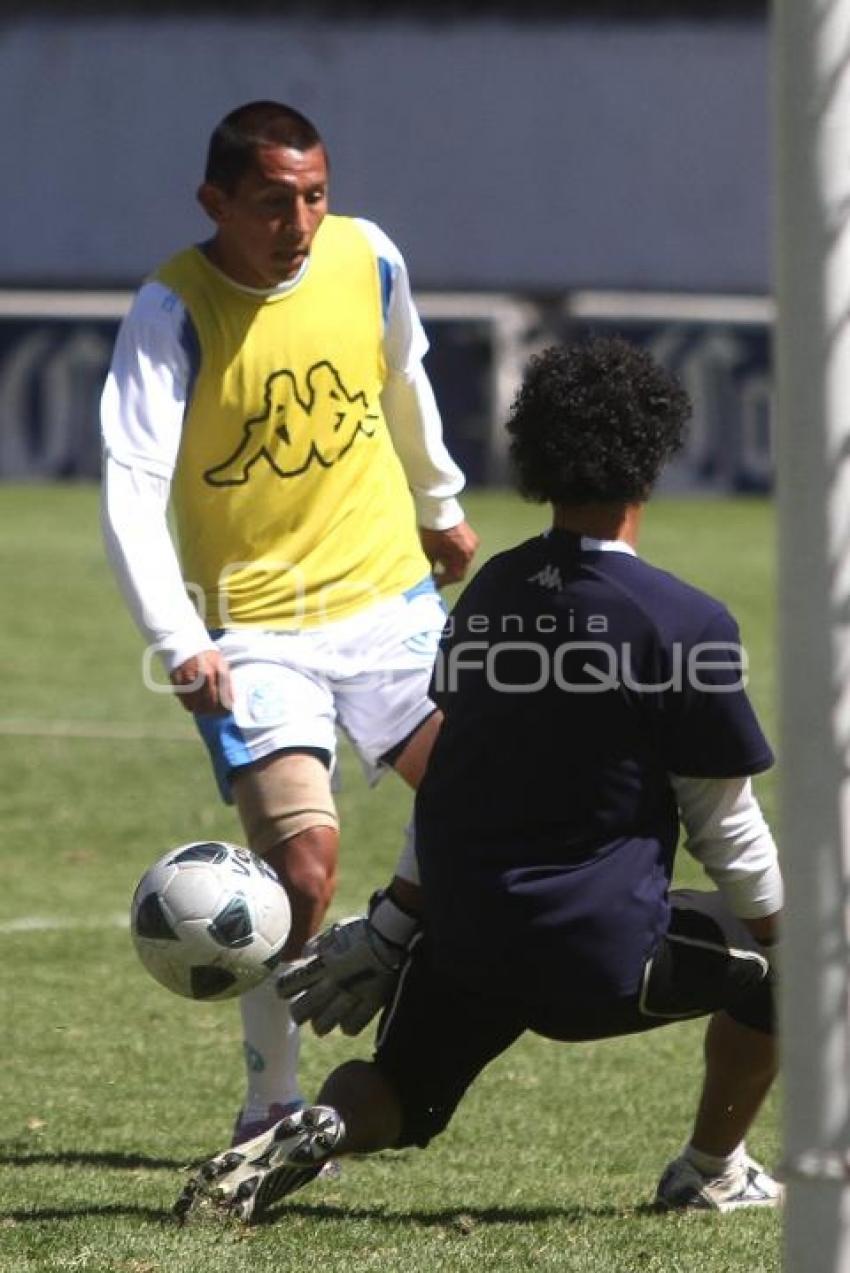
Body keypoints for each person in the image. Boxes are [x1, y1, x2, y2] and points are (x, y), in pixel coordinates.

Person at [174, 336, 783, 1225]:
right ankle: (710, 1168)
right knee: (784, 961)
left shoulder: (493, 591)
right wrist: (797, 936)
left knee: (398, 1090)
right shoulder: (685, 620)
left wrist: (392, 925)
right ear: (651, 460)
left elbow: (449, 774)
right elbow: (725, 826)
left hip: (462, 936)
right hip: (599, 956)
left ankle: (322, 1124)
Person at [100, 100, 478, 1149]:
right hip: (256, 632)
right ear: (215, 201)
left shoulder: (370, 259)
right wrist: (180, 635)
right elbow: (131, 486)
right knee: (300, 870)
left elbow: (403, 382)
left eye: (314, 194)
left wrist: (438, 505)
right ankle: (270, 1103)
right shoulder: (171, 311)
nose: (300, 219)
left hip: (388, 602)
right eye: (273, 201)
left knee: (488, 801)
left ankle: (400, 954)